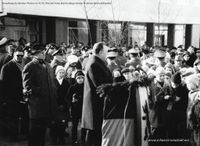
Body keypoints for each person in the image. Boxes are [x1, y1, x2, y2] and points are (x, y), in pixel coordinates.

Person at [22, 44, 58, 146]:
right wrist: (41, 91)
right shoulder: (29, 67)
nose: (44, 54)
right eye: (41, 53)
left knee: (43, 134)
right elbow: (27, 86)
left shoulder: (47, 65)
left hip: (48, 105)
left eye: (43, 52)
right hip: (37, 106)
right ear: (35, 54)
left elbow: (53, 82)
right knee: (35, 134)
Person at [81, 42, 113, 146]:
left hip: (97, 104)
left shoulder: (97, 61)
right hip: (95, 105)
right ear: (99, 52)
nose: (108, 54)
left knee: (96, 134)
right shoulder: (94, 63)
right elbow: (100, 86)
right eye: (106, 51)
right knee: (93, 135)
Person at [0, 46, 27, 141]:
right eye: (18, 55)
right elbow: (2, 84)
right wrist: (4, 99)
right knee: (13, 117)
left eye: (21, 55)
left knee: (25, 116)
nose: (20, 57)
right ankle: (13, 136)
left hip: (24, 96)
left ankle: (24, 134)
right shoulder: (7, 67)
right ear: (13, 55)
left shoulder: (25, 64)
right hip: (12, 97)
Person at [50, 65, 70, 145]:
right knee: (54, 124)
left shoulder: (66, 83)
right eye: (60, 72)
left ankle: (61, 138)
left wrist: (64, 105)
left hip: (63, 106)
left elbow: (68, 95)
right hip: (55, 106)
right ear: (56, 73)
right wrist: (56, 105)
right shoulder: (52, 82)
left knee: (63, 123)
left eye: (63, 73)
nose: (61, 74)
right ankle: (54, 139)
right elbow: (51, 95)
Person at [66, 70, 85, 145]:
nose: (80, 79)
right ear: (76, 79)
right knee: (75, 125)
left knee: (83, 126)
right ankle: (74, 139)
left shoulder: (86, 87)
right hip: (75, 109)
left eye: (81, 78)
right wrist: (72, 101)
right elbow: (67, 98)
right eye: (78, 78)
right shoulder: (72, 87)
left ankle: (83, 139)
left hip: (83, 109)